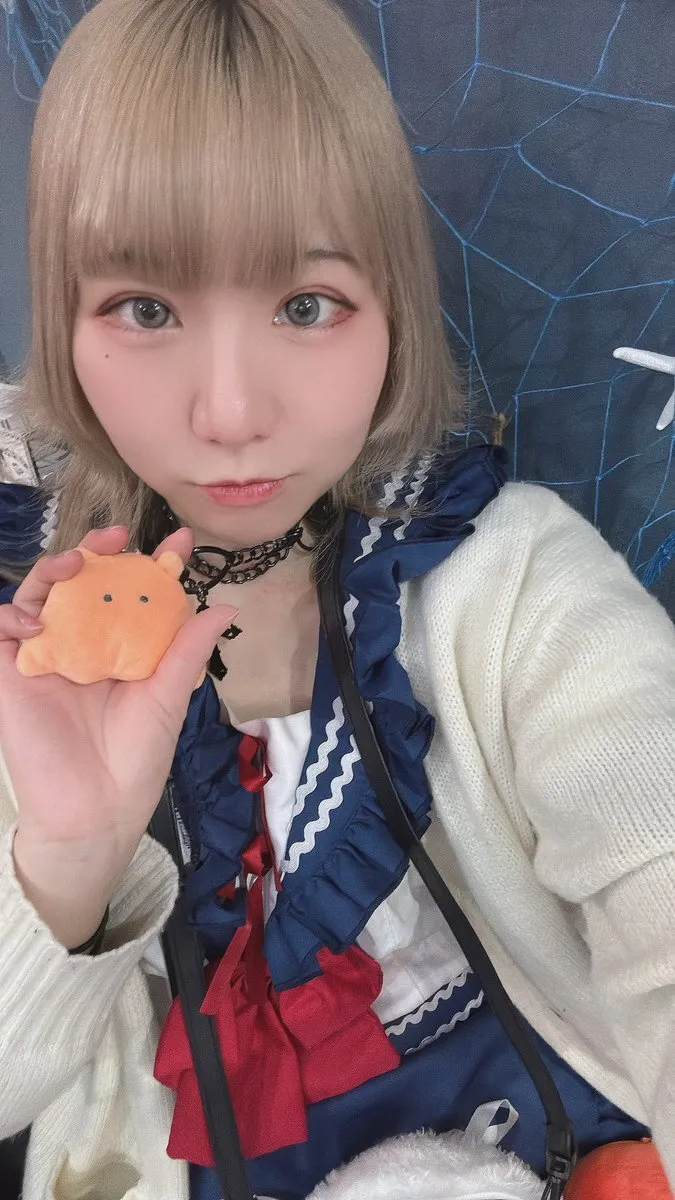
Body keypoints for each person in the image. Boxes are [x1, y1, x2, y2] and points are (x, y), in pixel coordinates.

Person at [0, 0, 674, 1197]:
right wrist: (69, 864)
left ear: (392, 308)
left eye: (305, 306)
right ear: (62, 322)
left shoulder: (508, 585)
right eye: (146, 310)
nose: (229, 413)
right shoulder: (40, 646)